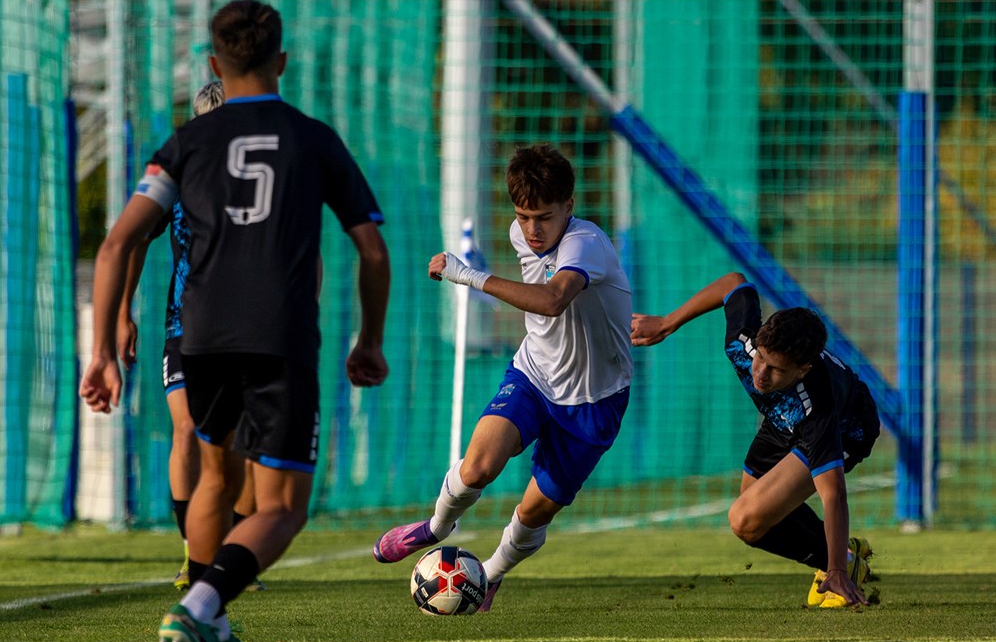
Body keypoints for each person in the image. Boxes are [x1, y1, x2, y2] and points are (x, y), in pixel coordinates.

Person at [80, 0, 390, 642]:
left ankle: (208, 620)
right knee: (280, 509)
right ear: (282, 61)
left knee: (215, 477)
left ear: (216, 63)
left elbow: (114, 246)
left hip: (198, 335)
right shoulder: (312, 138)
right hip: (278, 334)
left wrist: (103, 350)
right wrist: (368, 340)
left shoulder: (186, 143)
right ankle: (197, 609)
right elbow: (371, 251)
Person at [372, 144, 632, 612]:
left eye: (544, 218)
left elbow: (554, 299)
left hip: (595, 401)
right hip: (534, 374)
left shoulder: (584, 243)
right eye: (524, 216)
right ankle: (434, 528)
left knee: (535, 511)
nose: (532, 230)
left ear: (569, 208)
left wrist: (467, 275)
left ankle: (488, 576)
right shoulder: (520, 233)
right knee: (478, 466)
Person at [631, 272, 878, 608]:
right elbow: (733, 282)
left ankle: (841, 565)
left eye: (774, 369)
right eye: (760, 357)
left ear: (803, 369)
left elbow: (833, 495)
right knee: (758, 510)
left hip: (847, 428)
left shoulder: (817, 406)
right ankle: (843, 551)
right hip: (780, 420)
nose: (759, 373)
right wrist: (667, 323)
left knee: (745, 520)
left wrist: (834, 567)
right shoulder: (745, 343)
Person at [118, 80, 262, 592]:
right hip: (184, 327)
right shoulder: (176, 176)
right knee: (187, 432)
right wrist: (122, 313)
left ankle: (233, 553)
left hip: (247, 329)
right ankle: (193, 556)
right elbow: (131, 237)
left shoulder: (258, 183)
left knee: (237, 443)